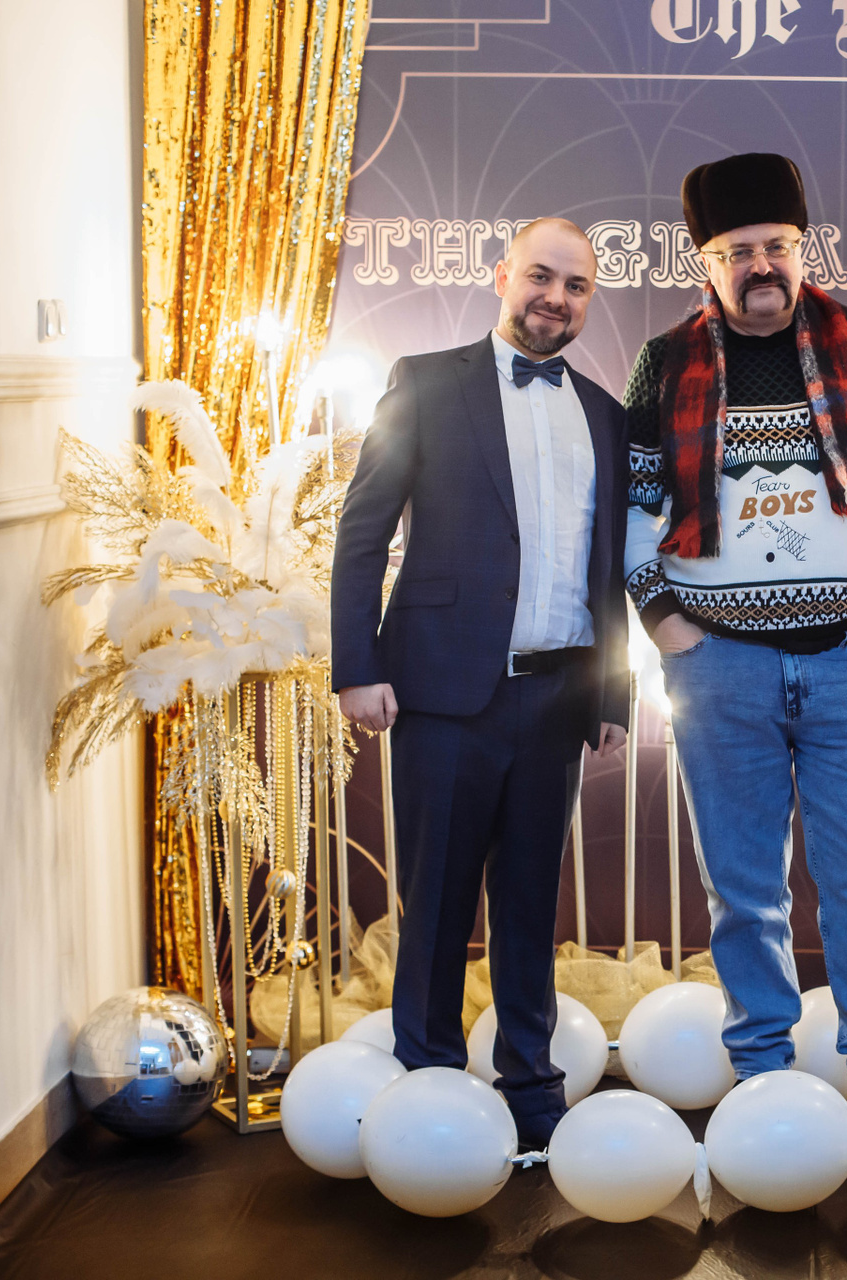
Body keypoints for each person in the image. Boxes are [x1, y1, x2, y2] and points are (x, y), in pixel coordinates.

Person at [623, 152, 847, 1121]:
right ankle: (762, 1072)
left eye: (776, 245)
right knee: (743, 887)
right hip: (717, 666)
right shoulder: (665, 362)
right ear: (706, 263)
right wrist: (665, 624)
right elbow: (636, 506)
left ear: (802, 248)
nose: (760, 264)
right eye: (737, 251)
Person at [331, 218, 630, 1149]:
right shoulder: (425, 383)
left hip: (558, 698)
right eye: (541, 276)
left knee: (532, 908)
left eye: (576, 286)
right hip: (444, 694)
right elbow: (362, 532)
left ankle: (532, 1091)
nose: (556, 298)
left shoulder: (605, 412)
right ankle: (428, 1097)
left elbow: (609, 566)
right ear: (502, 276)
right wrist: (357, 667)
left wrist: (613, 695)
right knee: (436, 905)